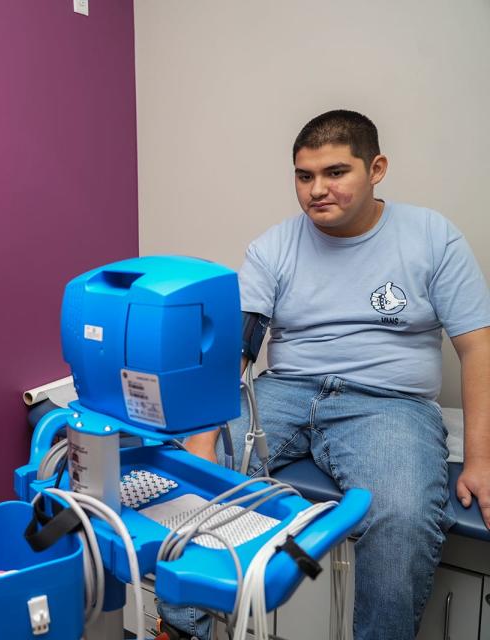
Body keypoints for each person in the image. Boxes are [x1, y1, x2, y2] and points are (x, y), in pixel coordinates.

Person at [161, 109, 490, 640]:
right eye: (304, 175)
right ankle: (182, 627)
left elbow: (478, 349)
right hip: (285, 392)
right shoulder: (273, 247)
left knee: (401, 517)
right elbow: (237, 353)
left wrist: (480, 460)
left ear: (376, 168)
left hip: (389, 404)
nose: (318, 190)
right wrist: (203, 448)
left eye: (336, 172)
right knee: (181, 471)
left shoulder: (433, 238)